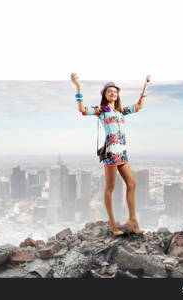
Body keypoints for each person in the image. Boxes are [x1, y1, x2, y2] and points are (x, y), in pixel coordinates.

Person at [70, 73, 151, 236]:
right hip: (111, 154)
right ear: (105, 95)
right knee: (110, 188)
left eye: (115, 91)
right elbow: (82, 110)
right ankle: (112, 223)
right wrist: (78, 87)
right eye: (109, 91)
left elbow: (139, 106)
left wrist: (146, 86)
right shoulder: (102, 111)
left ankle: (132, 220)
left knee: (132, 184)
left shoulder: (121, 111)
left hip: (122, 153)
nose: (113, 93)